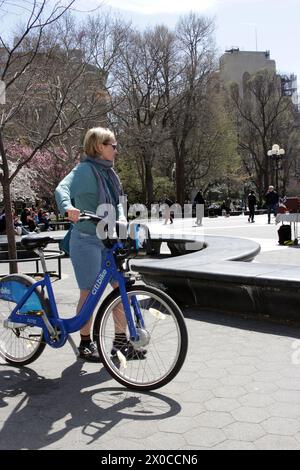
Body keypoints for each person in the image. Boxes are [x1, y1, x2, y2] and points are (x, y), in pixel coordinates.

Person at [55, 127, 146, 362]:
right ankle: (85, 343)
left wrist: (122, 217)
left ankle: (120, 342)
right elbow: (62, 189)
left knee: (121, 289)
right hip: (86, 240)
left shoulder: (108, 173)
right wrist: (68, 207)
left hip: (108, 239)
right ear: (99, 147)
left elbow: (116, 203)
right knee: (90, 291)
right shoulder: (84, 170)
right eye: (113, 146)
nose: (116, 150)